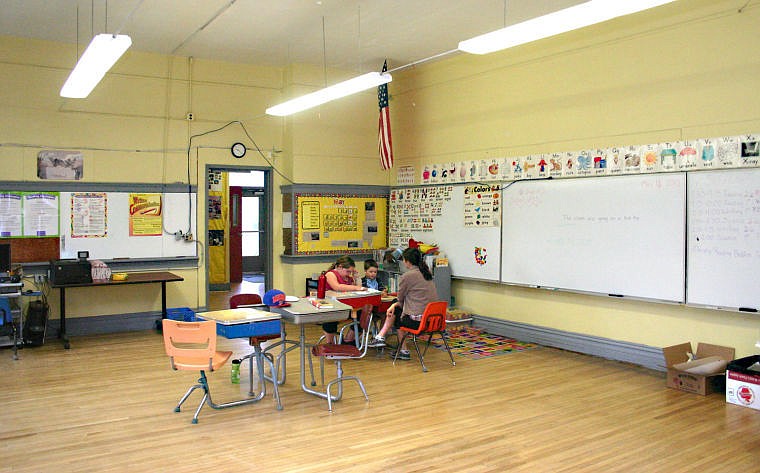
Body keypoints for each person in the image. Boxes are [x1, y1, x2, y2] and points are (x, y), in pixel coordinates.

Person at [367, 247, 437, 360]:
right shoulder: (427, 273)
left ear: (407, 261)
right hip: (433, 320)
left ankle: (394, 344)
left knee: (397, 311)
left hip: (418, 322)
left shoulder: (407, 276)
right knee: (397, 308)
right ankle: (382, 337)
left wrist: (393, 305)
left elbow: (400, 299)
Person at [321, 255, 366, 343]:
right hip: (332, 307)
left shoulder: (348, 277)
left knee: (363, 315)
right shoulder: (331, 274)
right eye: (348, 271)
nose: (349, 274)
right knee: (330, 318)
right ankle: (330, 343)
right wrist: (356, 288)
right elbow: (337, 287)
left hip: (346, 306)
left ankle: (348, 339)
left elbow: (358, 288)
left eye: (351, 272)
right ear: (340, 267)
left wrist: (357, 278)